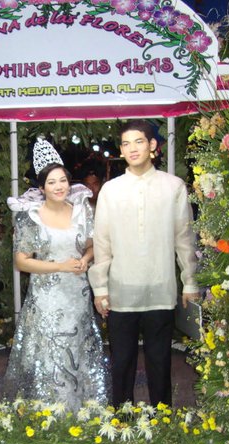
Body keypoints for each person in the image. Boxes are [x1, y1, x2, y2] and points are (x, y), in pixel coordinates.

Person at [88, 120, 199, 408]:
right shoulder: (111, 190)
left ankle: (161, 418)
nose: (132, 148)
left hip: (160, 288)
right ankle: (121, 420)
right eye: (126, 143)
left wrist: (189, 281)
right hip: (121, 290)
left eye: (138, 141)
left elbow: (184, 238)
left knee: (159, 359)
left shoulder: (173, 186)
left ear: (152, 146)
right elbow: (102, 242)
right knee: (121, 361)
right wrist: (100, 288)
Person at [1, 140, 110, 410]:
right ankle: (52, 411)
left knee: (78, 349)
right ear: (42, 188)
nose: (59, 186)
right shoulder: (31, 217)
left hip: (77, 295)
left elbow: (91, 244)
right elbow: (21, 261)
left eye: (63, 180)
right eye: (52, 182)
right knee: (51, 352)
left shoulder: (82, 211)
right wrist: (60, 266)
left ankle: (81, 408)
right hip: (47, 298)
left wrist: (85, 259)